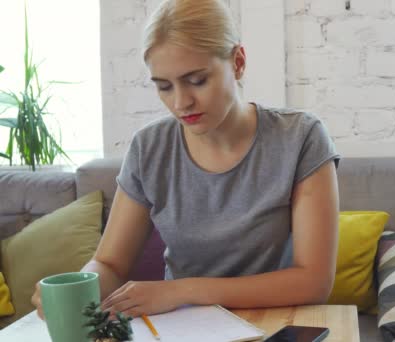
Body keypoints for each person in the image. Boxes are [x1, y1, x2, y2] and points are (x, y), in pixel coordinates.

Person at [32, 0, 339, 319]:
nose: (181, 102)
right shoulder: (149, 149)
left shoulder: (301, 137)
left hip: (279, 323)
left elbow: (314, 281)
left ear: (238, 62)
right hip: (182, 327)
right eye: (164, 87)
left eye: (197, 81)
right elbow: (110, 264)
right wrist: (81, 286)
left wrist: (181, 291)